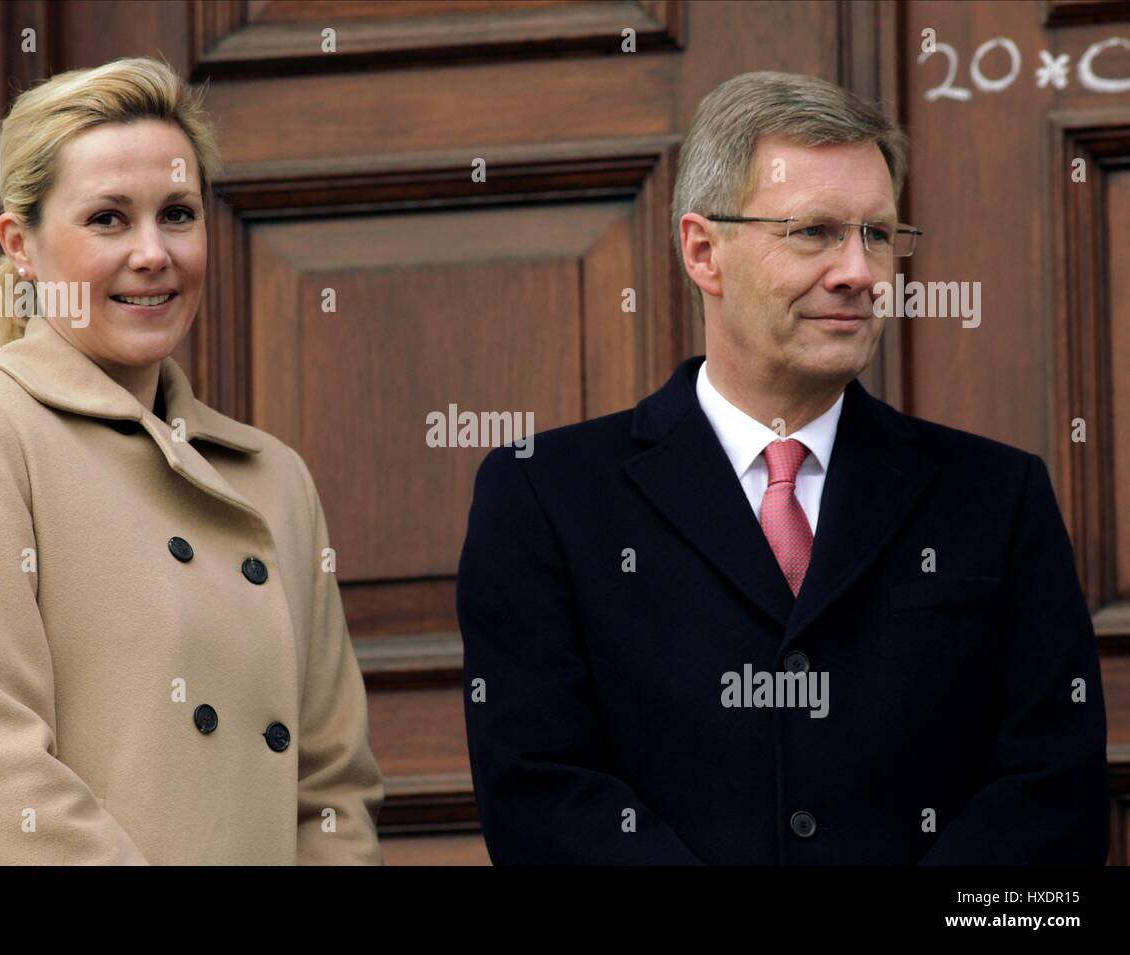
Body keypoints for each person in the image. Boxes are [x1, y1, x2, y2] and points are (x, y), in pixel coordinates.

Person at [457, 71, 1109, 865]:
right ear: (704, 251)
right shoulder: (546, 495)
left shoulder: (997, 497)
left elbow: (1052, 793)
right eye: (815, 232)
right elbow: (539, 791)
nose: (859, 272)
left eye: (878, 234)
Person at [0, 57, 383, 865]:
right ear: (23, 246)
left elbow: (334, 785)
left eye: (177, 214)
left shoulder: (273, 478)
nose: (153, 252)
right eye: (109, 218)